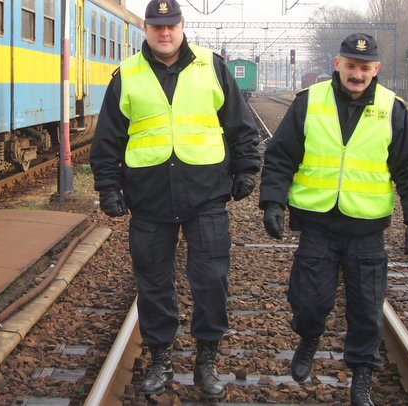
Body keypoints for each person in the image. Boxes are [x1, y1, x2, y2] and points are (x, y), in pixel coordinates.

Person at [89, 0, 261, 399]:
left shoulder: (212, 66)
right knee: (153, 284)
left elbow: (240, 124)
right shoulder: (127, 75)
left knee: (211, 280)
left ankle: (207, 360)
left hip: (206, 195)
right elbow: (108, 139)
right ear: (145, 29)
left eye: (171, 25)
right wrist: (108, 186)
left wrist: (248, 169)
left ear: (182, 26)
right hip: (148, 198)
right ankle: (161, 359)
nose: (164, 33)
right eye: (156, 26)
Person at [258, 33, 408, 405]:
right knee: (307, 301)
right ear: (338, 64)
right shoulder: (310, 102)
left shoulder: (392, 109)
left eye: (365, 68)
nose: (357, 74)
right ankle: (309, 337)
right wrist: (273, 201)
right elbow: (281, 156)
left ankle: (362, 377)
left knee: (367, 309)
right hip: (318, 223)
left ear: (376, 70)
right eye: (351, 65)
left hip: (366, 229)